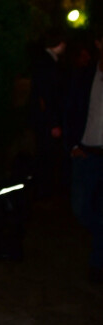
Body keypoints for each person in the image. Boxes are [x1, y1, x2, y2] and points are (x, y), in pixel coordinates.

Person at [65, 30, 103, 283]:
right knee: (80, 207)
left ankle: (97, 263)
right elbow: (71, 109)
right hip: (86, 153)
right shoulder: (86, 75)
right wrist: (72, 144)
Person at [28, 32, 66, 198]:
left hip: (43, 119)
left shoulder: (44, 61)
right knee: (46, 156)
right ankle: (44, 191)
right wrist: (53, 122)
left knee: (45, 155)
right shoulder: (48, 63)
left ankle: (44, 190)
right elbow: (47, 95)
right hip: (46, 120)